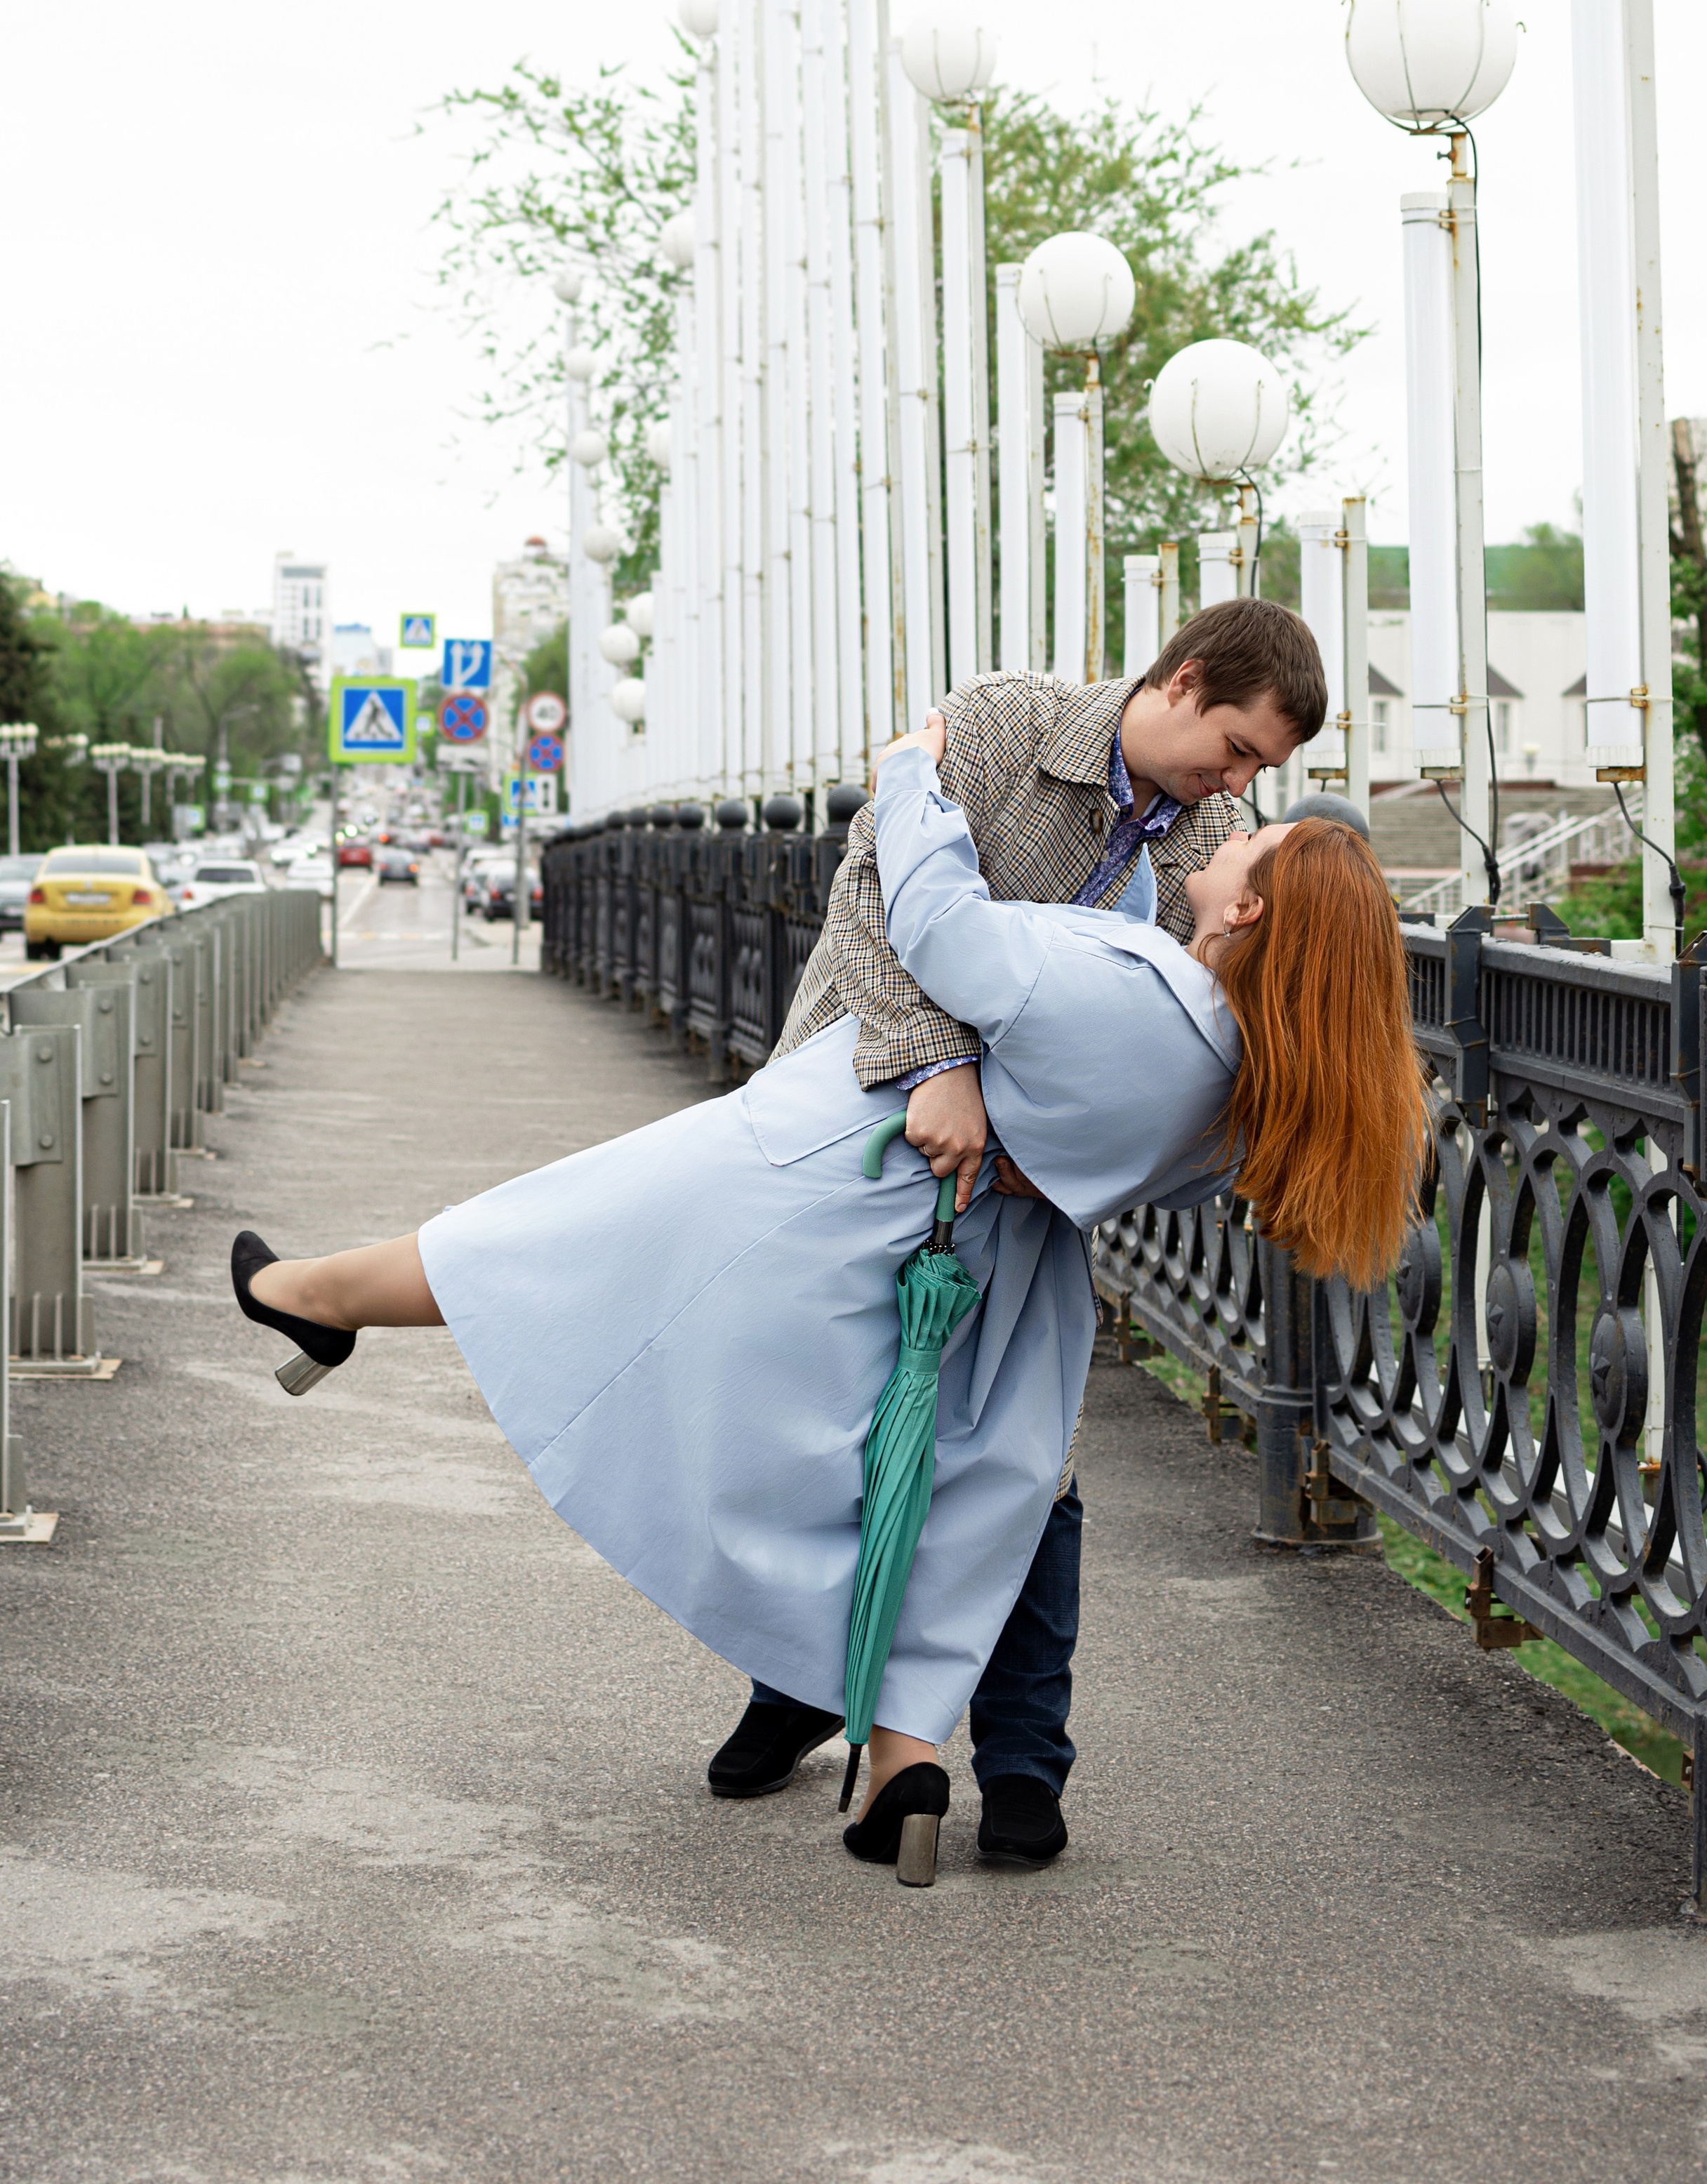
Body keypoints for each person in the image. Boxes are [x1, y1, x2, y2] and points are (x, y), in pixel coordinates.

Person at [230, 720, 1424, 1890]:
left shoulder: (1129, 987)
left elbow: (940, 926)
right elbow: (1083, 1151)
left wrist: (909, 777)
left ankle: (314, 1295)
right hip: (1002, 1279)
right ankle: (907, 1764)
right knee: (969, 1503)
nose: (1228, 837)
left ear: (1249, 911)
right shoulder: (1246, 1085)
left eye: (1249, 850)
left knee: (552, 1248)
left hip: (829, 1186)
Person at [735, 594, 1329, 1865]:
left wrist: (1057, 1149)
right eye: (1234, 746)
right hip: (871, 1123)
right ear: (1177, 681)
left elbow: (1152, 1027)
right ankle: (796, 1685)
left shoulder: (1215, 834)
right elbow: (879, 897)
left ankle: (1021, 1769)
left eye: (1262, 769)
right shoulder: (1013, 722)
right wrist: (938, 1067)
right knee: (841, 1416)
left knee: (1021, 1466)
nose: (1240, 782)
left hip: (1022, 1190)